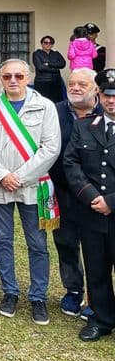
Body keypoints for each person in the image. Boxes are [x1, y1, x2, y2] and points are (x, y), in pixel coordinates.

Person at [0, 59, 60, 325]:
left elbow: (50, 148)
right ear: (0, 78)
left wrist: (19, 177)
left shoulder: (45, 106)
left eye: (19, 76)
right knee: (2, 240)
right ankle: (10, 291)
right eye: (7, 76)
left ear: (28, 77)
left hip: (32, 185)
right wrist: (2, 175)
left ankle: (38, 297)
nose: (13, 80)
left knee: (37, 244)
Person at [64, 68, 115, 341]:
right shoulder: (85, 126)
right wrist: (91, 196)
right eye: (107, 95)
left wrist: (111, 201)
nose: (111, 101)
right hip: (92, 211)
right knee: (96, 269)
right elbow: (71, 163)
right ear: (99, 94)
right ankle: (103, 319)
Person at [49, 68, 101, 320]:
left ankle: (96, 297)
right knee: (66, 243)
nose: (76, 88)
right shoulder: (54, 112)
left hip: (97, 196)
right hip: (63, 191)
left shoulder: (107, 113)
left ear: (96, 89)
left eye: (82, 84)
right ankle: (73, 290)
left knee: (97, 248)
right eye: (71, 83)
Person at [32, 35, 66, 103]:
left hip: (56, 82)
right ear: (42, 43)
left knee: (57, 103)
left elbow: (62, 64)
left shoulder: (56, 54)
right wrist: (56, 69)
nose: (48, 44)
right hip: (42, 82)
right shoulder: (36, 54)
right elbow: (40, 67)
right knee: (42, 102)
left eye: (50, 43)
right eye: (46, 42)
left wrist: (49, 64)